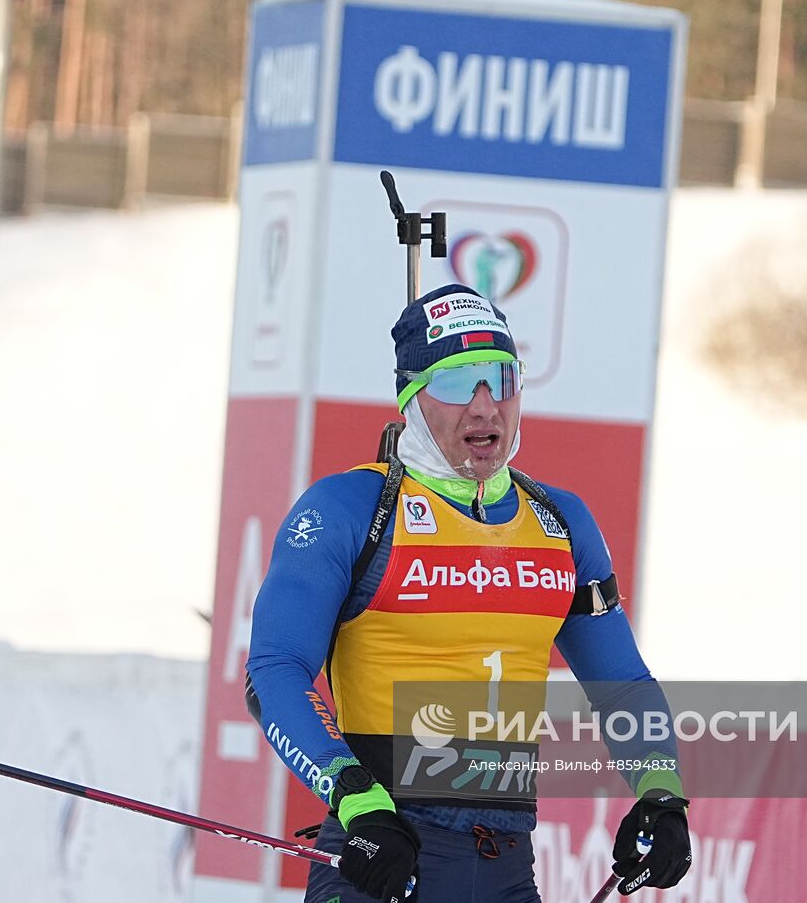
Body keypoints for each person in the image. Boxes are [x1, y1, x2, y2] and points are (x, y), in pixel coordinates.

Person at [246, 285, 692, 902]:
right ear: (410, 397)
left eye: (500, 379)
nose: (485, 407)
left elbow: (623, 684)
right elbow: (274, 672)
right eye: (456, 383)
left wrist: (661, 794)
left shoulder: (559, 521)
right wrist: (354, 796)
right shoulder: (351, 509)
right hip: (385, 857)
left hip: (506, 870)